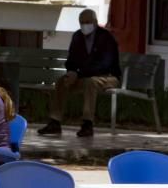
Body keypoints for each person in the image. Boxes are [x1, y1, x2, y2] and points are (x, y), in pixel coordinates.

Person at [38, 9, 121, 138]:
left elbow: (105, 65)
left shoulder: (106, 38)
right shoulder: (77, 36)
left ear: (95, 22)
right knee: (62, 81)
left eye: (87, 22)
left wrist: (79, 73)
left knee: (90, 83)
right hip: (85, 76)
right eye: (82, 22)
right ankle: (55, 122)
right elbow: (71, 60)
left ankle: (87, 124)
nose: (85, 25)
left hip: (108, 76)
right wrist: (71, 72)